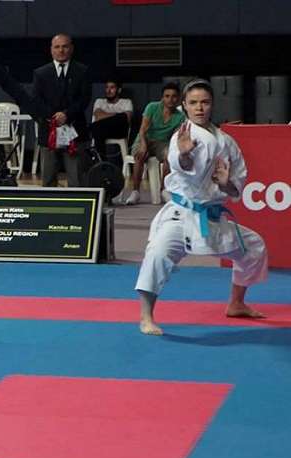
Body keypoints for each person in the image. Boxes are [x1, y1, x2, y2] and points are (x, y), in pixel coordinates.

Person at [135, 79, 268, 336]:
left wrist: (227, 184)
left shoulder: (227, 141)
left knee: (254, 247)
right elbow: (181, 166)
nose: (199, 108)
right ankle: (146, 316)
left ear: (212, 105)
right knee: (158, 254)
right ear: (184, 106)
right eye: (193, 102)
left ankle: (236, 303)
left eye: (205, 102)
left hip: (212, 217)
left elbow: (236, 188)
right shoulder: (182, 135)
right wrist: (185, 154)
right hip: (181, 214)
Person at [32, 33, 92, 187]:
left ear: (71, 48)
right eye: (57, 47)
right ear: (51, 50)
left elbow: (84, 99)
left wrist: (66, 115)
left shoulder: (82, 71)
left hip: (75, 132)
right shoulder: (40, 73)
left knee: (77, 180)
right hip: (49, 132)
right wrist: (54, 117)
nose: (61, 50)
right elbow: (37, 101)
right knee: (48, 180)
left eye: (65, 46)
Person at [125, 82, 185, 205]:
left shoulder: (180, 116)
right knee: (140, 154)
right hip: (145, 139)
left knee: (170, 154)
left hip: (162, 143)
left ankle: (164, 190)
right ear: (162, 97)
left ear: (178, 99)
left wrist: (172, 149)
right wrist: (143, 145)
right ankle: (135, 192)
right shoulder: (152, 107)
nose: (170, 99)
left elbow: (174, 137)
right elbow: (143, 130)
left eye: (174, 96)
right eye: (167, 96)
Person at [90, 78, 133, 158]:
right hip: (102, 130)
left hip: (118, 131)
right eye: (107, 87)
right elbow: (98, 116)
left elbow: (127, 118)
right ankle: (102, 161)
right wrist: (118, 116)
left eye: (112, 87)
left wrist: (105, 116)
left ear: (119, 90)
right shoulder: (99, 101)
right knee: (98, 127)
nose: (108, 90)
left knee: (96, 126)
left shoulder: (126, 102)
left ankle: (101, 161)